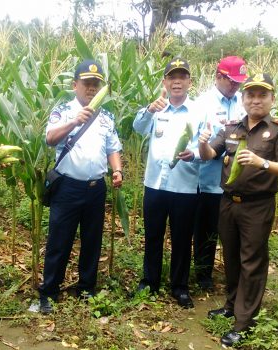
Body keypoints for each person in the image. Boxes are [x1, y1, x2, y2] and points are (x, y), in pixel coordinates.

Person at [197, 73, 278, 347]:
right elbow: (209, 155)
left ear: (272, 98)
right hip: (228, 202)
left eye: (262, 95)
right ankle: (231, 304)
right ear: (242, 99)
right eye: (250, 94)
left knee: (251, 262)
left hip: (257, 205)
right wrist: (203, 142)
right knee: (230, 257)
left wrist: (260, 162)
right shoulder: (230, 128)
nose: (255, 100)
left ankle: (244, 323)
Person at [38, 59, 123, 313]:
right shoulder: (63, 111)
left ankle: (86, 288)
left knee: (92, 240)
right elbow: (50, 139)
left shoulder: (106, 116)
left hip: (96, 188)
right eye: (86, 83)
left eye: (95, 84)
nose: (91, 89)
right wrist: (74, 121)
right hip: (67, 187)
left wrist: (117, 169)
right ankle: (49, 292)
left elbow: (113, 147)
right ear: (75, 85)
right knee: (59, 241)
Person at [132, 58, 200, 308]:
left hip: (185, 186)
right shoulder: (157, 108)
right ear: (165, 82)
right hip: (155, 185)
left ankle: (179, 286)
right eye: (172, 77)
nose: (177, 81)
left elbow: (209, 144)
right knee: (153, 235)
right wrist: (149, 109)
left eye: (182, 77)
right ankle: (149, 281)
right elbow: (137, 128)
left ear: (189, 82)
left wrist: (195, 154)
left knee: (182, 238)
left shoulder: (198, 111)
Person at [191, 56, 248, 291]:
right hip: (207, 180)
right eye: (231, 81)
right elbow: (194, 141)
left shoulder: (242, 104)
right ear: (218, 77)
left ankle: (231, 274)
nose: (235, 86)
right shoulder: (201, 104)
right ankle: (203, 275)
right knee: (205, 229)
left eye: (238, 82)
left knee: (229, 230)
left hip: (235, 182)